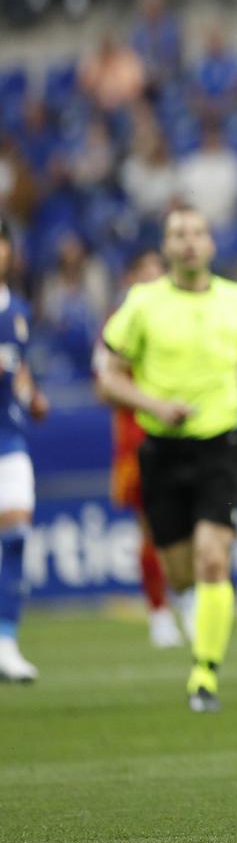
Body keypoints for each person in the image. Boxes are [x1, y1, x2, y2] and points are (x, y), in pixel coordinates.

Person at [94, 205, 237, 712]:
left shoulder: (236, 299)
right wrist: (156, 406)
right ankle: (194, 615)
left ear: (211, 243)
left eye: (197, 233)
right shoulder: (141, 304)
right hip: (160, 448)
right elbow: (110, 376)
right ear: (165, 246)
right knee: (180, 571)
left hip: (220, 444)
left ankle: (204, 674)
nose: (188, 243)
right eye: (178, 234)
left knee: (212, 557)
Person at [106, 249, 181, 648]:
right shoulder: (120, 326)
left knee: (188, 524)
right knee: (153, 528)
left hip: (187, 434)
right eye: (145, 275)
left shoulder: (184, 318)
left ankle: (186, 595)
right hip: (139, 440)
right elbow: (102, 388)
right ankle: (159, 610)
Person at [0, 220, 51, 682]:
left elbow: (19, 369)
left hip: (10, 439)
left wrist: (32, 396)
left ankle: (7, 642)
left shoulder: (16, 310)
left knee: (16, 537)